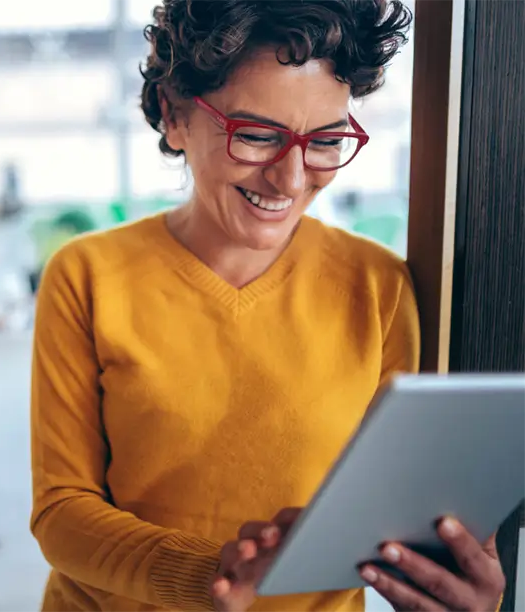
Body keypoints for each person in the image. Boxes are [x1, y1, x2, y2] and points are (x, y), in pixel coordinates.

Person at [30, 1, 506, 611]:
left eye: (326, 140)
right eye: (256, 135)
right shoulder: (88, 275)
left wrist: (454, 591)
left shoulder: (378, 286)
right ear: (175, 117)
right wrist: (214, 577)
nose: (290, 178)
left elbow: (395, 517)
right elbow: (62, 512)